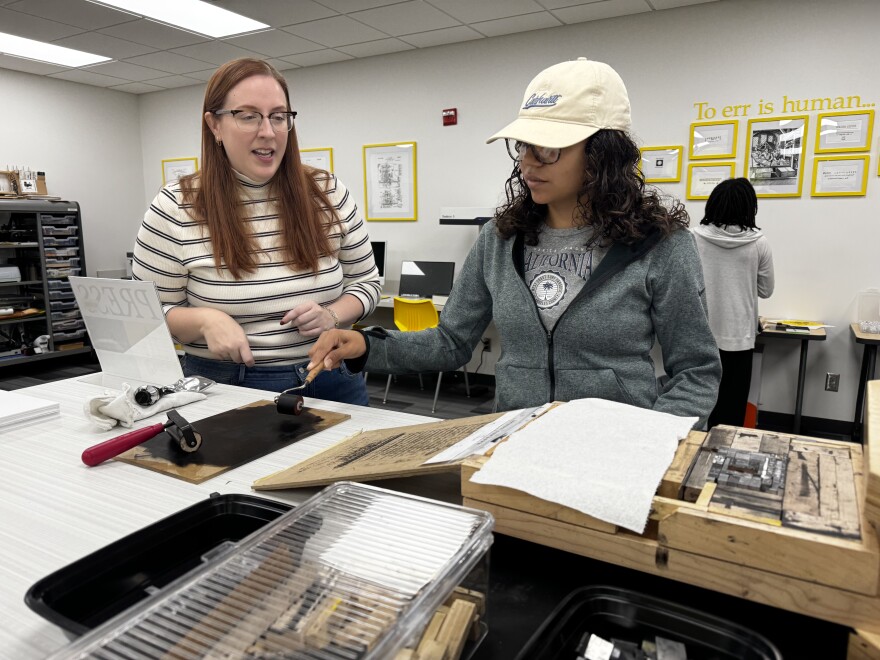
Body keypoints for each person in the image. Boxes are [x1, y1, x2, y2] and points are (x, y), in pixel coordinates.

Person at [309, 58, 720, 425]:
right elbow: (450, 341)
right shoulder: (500, 238)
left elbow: (695, 371)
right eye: (524, 145)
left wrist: (656, 441)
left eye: (547, 148)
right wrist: (365, 345)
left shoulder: (660, 244)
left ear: (603, 152)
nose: (526, 161)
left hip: (614, 448)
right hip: (510, 440)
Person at [132, 58, 379, 405]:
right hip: (226, 385)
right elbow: (147, 312)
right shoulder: (175, 206)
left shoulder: (327, 192)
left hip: (329, 375)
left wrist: (333, 314)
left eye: (279, 116)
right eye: (248, 115)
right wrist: (205, 321)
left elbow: (366, 283)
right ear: (214, 125)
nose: (268, 131)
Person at [692, 178, 774, 428]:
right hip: (739, 338)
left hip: (698, 334)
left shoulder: (691, 238)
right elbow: (766, 290)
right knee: (730, 414)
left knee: (692, 405)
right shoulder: (759, 243)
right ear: (750, 208)